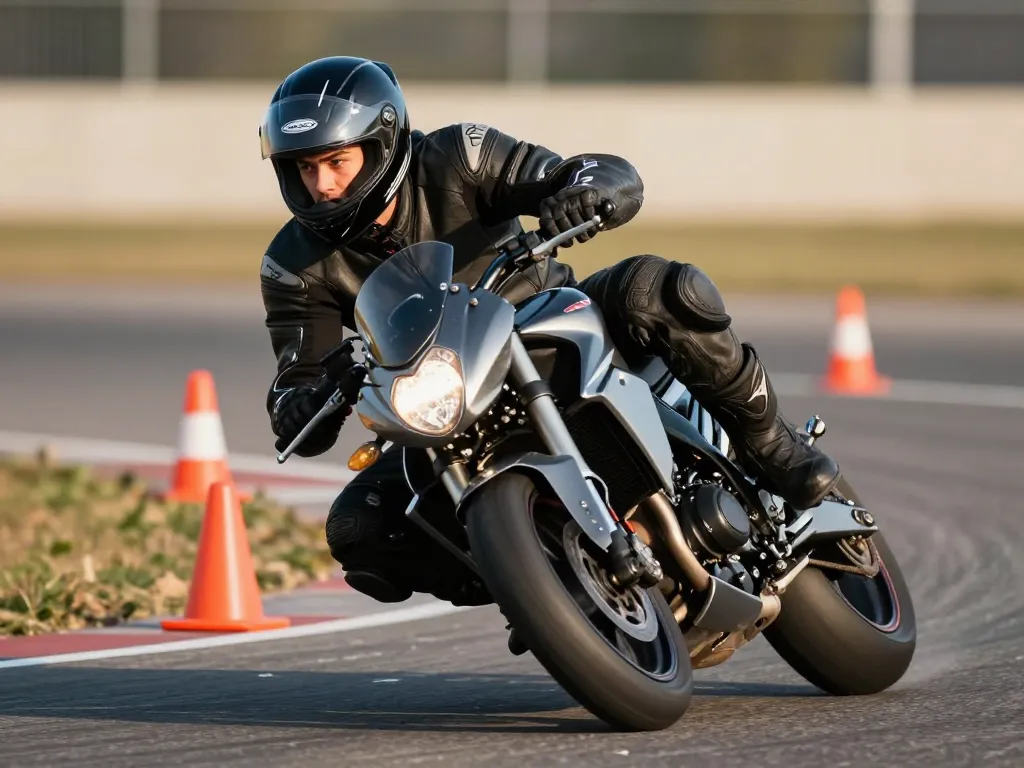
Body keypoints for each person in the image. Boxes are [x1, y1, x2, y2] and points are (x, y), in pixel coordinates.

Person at [258, 56, 842, 646]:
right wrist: (299, 404)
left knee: (659, 289)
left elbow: (588, 171)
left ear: (382, 147)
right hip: (442, 396)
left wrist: (580, 192)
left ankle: (771, 444)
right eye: (304, 168)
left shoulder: (461, 156)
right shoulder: (293, 264)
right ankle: (544, 584)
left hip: (544, 323)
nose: (322, 184)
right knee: (360, 527)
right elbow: (297, 372)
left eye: (336, 161)